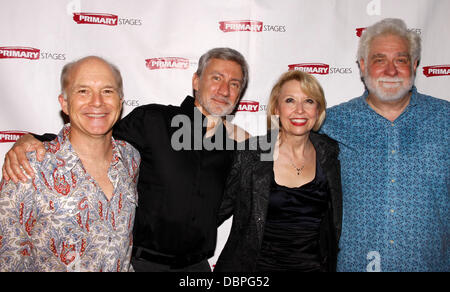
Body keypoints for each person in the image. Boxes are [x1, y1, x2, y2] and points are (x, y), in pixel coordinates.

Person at [1, 47, 250, 272]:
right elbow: (95, 137)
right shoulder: (153, 120)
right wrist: (32, 139)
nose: (224, 90)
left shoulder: (232, 146)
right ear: (196, 81)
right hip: (143, 265)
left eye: (234, 83)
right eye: (216, 78)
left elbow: (226, 203)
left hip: (197, 268)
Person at [320, 18, 449, 272]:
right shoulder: (331, 123)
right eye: (380, 60)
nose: (391, 71)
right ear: (363, 66)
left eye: (400, 60)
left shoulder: (446, 120)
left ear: (413, 65)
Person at [0, 56, 140, 272]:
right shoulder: (28, 168)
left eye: (107, 91)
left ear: (121, 102)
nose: (97, 102)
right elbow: (8, 258)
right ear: (64, 103)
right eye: (83, 91)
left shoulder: (130, 158)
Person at [214, 70, 342, 272]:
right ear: (276, 108)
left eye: (309, 101)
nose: (299, 110)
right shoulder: (251, 155)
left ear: (318, 110)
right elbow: (214, 211)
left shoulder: (331, 155)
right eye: (290, 100)